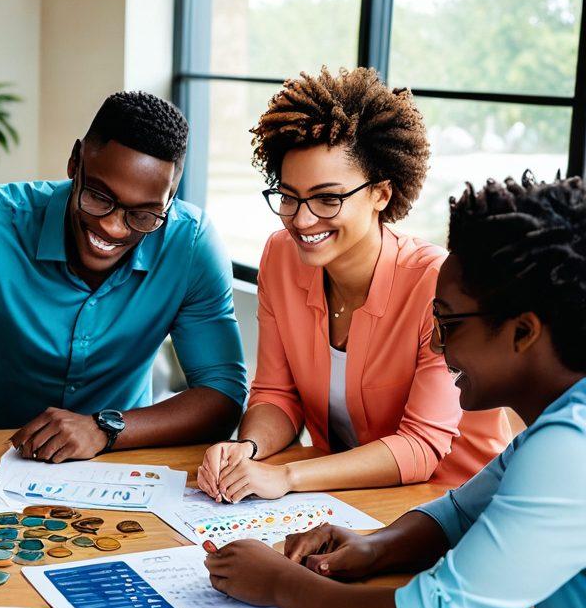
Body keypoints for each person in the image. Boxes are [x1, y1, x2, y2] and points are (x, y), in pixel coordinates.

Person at [204, 174, 586, 608]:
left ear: (524, 332)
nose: (433, 344)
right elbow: (457, 513)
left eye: (449, 324)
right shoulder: (554, 426)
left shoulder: (570, 447)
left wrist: (280, 584)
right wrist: (374, 548)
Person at [0, 90, 247, 491]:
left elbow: (222, 393)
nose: (113, 227)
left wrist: (106, 429)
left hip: (124, 464)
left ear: (169, 200)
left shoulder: (191, 245)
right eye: (99, 197)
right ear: (75, 161)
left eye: (143, 214)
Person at [198, 67, 510, 502]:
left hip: (453, 503)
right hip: (345, 498)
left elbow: (421, 446)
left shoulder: (436, 284)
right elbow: (276, 394)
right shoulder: (281, 258)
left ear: (381, 194)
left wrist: (286, 476)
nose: (302, 220)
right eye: (289, 196)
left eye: (328, 199)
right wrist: (247, 451)